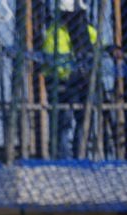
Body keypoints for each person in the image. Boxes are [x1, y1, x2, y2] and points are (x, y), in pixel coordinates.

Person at [45, 0, 99, 160]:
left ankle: (80, 156)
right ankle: (63, 159)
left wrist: (109, 48)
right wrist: (75, 70)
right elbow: (55, 62)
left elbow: (98, 45)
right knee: (64, 122)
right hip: (62, 83)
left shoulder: (87, 30)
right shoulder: (55, 33)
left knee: (85, 121)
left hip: (83, 83)